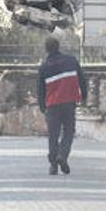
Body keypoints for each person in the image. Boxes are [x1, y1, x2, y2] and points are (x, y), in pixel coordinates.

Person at [37, 35, 87, 175]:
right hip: (69, 102)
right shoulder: (71, 61)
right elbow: (82, 79)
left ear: (46, 50)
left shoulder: (44, 67)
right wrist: (84, 95)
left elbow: (41, 89)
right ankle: (63, 156)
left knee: (53, 134)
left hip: (52, 105)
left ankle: (53, 165)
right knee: (69, 131)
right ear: (58, 47)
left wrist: (42, 106)